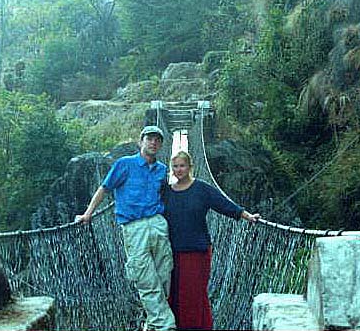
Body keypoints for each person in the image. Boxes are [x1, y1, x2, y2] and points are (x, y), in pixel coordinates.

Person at [76, 126, 176, 331]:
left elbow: (168, 195)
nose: (153, 143)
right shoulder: (124, 164)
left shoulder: (162, 170)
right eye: (149, 139)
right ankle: (165, 325)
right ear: (141, 141)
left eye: (157, 140)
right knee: (145, 277)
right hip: (134, 227)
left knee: (165, 273)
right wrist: (88, 213)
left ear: (161, 145)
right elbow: (104, 188)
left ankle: (153, 319)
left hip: (158, 224)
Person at [163, 150, 260, 331]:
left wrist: (248, 216)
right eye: (175, 166)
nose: (179, 170)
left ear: (190, 167)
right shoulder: (166, 193)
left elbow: (223, 204)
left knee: (194, 293)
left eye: (182, 165)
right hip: (172, 252)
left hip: (197, 251)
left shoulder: (201, 189)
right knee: (174, 294)